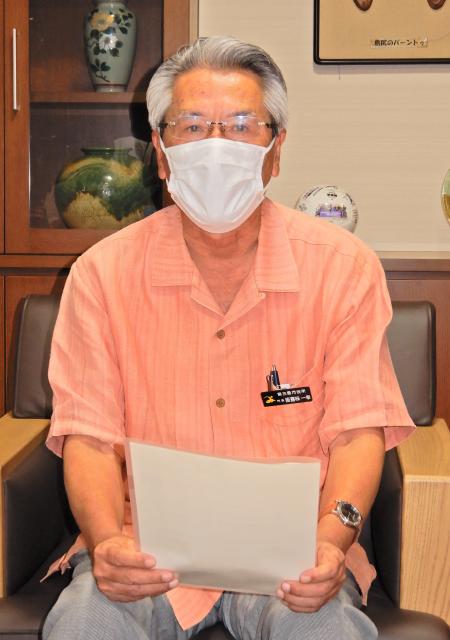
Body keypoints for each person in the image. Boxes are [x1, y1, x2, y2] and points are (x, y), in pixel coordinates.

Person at [42, 35, 415, 640]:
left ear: (275, 151)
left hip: (293, 558)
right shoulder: (101, 275)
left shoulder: (344, 269)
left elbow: (357, 434)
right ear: (162, 154)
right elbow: (89, 437)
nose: (216, 146)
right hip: (144, 552)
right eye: (192, 126)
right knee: (84, 624)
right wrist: (107, 542)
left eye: (241, 126)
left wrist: (331, 540)